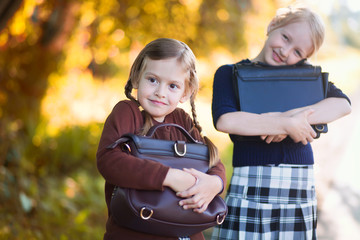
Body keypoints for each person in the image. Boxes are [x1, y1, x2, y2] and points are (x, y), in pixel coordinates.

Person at [211, 5, 351, 240]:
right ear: (272, 26)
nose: (286, 52)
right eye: (285, 38)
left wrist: (293, 118)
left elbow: (342, 104)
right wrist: (284, 124)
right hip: (250, 187)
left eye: (298, 52)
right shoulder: (230, 73)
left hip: (297, 190)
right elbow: (226, 120)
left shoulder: (305, 79)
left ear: (304, 58)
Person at [96, 38, 226, 240]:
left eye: (173, 86)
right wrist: (170, 177)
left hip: (184, 232)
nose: (160, 92)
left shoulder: (182, 121)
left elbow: (212, 161)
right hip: (133, 232)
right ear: (137, 77)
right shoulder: (128, 112)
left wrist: (215, 183)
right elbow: (109, 160)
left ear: (186, 92)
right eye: (153, 80)